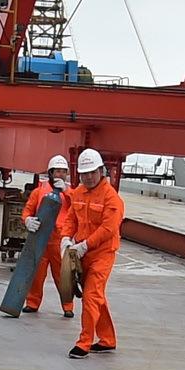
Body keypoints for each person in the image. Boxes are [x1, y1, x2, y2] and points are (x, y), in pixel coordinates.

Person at [60, 146, 125, 358]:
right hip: (82, 253)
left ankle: (84, 342)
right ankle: (107, 340)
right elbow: (71, 218)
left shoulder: (111, 198)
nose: (88, 177)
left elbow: (108, 229)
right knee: (96, 296)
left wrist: (85, 245)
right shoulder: (78, 193)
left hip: (102, 254)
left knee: (90, 296)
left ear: (101, 171)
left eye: (92, 172)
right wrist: (65, 238)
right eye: (84, 173)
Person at [11, 153, 77, 319]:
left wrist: (67, 192)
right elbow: (27, 211)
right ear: (51, 173)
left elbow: (78, 207)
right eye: (58, 171)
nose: (61, 174)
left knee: (63, 276)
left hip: (60, 240)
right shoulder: (39, 192)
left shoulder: (71, 193)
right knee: (37, 275)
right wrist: (28, 221)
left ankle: (68, 306)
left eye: (64, 171)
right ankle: (32, 303)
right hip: (41, 239)